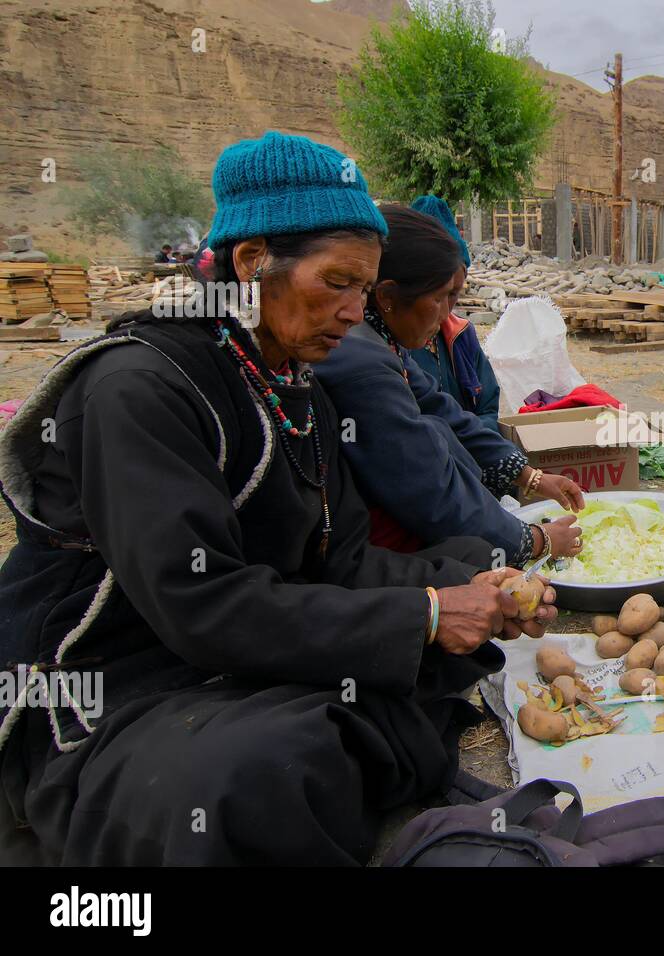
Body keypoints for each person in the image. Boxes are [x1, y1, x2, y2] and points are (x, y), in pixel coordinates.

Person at [0, 131, 557, 866]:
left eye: (366, 288)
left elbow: (344, 559)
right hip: (123, 673)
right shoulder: (138, 387)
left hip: (239, 635)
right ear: (251, 261)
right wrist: (422, 614)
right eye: (337, 283)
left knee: (458, 565)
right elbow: (201, 604)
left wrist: (473, 587)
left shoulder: (296, 389)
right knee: (256, 768)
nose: (357, 312)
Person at [314, 204, 585, 566]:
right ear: (388, 297)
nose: (447, 314)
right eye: (440, 297)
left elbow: (446, 411)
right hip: (373, 557)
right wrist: (536, 540)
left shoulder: (384, 344)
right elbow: (431, 491)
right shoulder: (363, 365)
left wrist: (531, 477)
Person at [404, 194, 503, 428]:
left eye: (453, 293)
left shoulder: (461, 334)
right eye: (437, 296)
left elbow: (487, 407)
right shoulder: (391, 346)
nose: (445, 309)